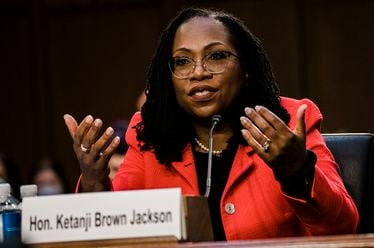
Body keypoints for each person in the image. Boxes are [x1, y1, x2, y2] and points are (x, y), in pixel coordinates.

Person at [63, 8, 358, 240]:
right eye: (182, 61)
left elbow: (344, 227)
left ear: (245, 70)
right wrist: (93, 180)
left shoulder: (289, 121)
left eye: (216, 56)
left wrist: (298, 171)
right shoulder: (151, 133)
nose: (199, 72)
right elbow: (113, 233)